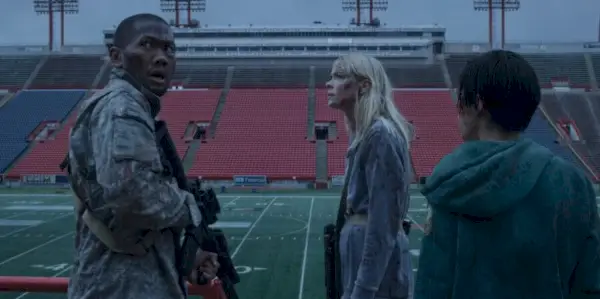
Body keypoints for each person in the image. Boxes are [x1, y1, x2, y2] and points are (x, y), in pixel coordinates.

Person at [414, 50, 600, 298]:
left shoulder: (450, 182)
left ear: (478, 104)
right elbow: (589, 282)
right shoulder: (573, 183)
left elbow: (433, 285)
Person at [66, 13, 218, 299]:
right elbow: (134, 195)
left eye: (169, 49)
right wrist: (191, 208)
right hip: (121, 286)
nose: (161, 57)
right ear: (116, 56)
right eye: (147, 45)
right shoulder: (123, 106)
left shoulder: (128, 104)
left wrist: (184, 258)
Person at [326, 53, 414, 299]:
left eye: (340, 76)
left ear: (364, 85)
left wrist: (363, 291)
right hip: (364, 249)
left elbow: (383, 222)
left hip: (375, 264)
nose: (328, 82)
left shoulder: (379, 135)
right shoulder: (366, 134)